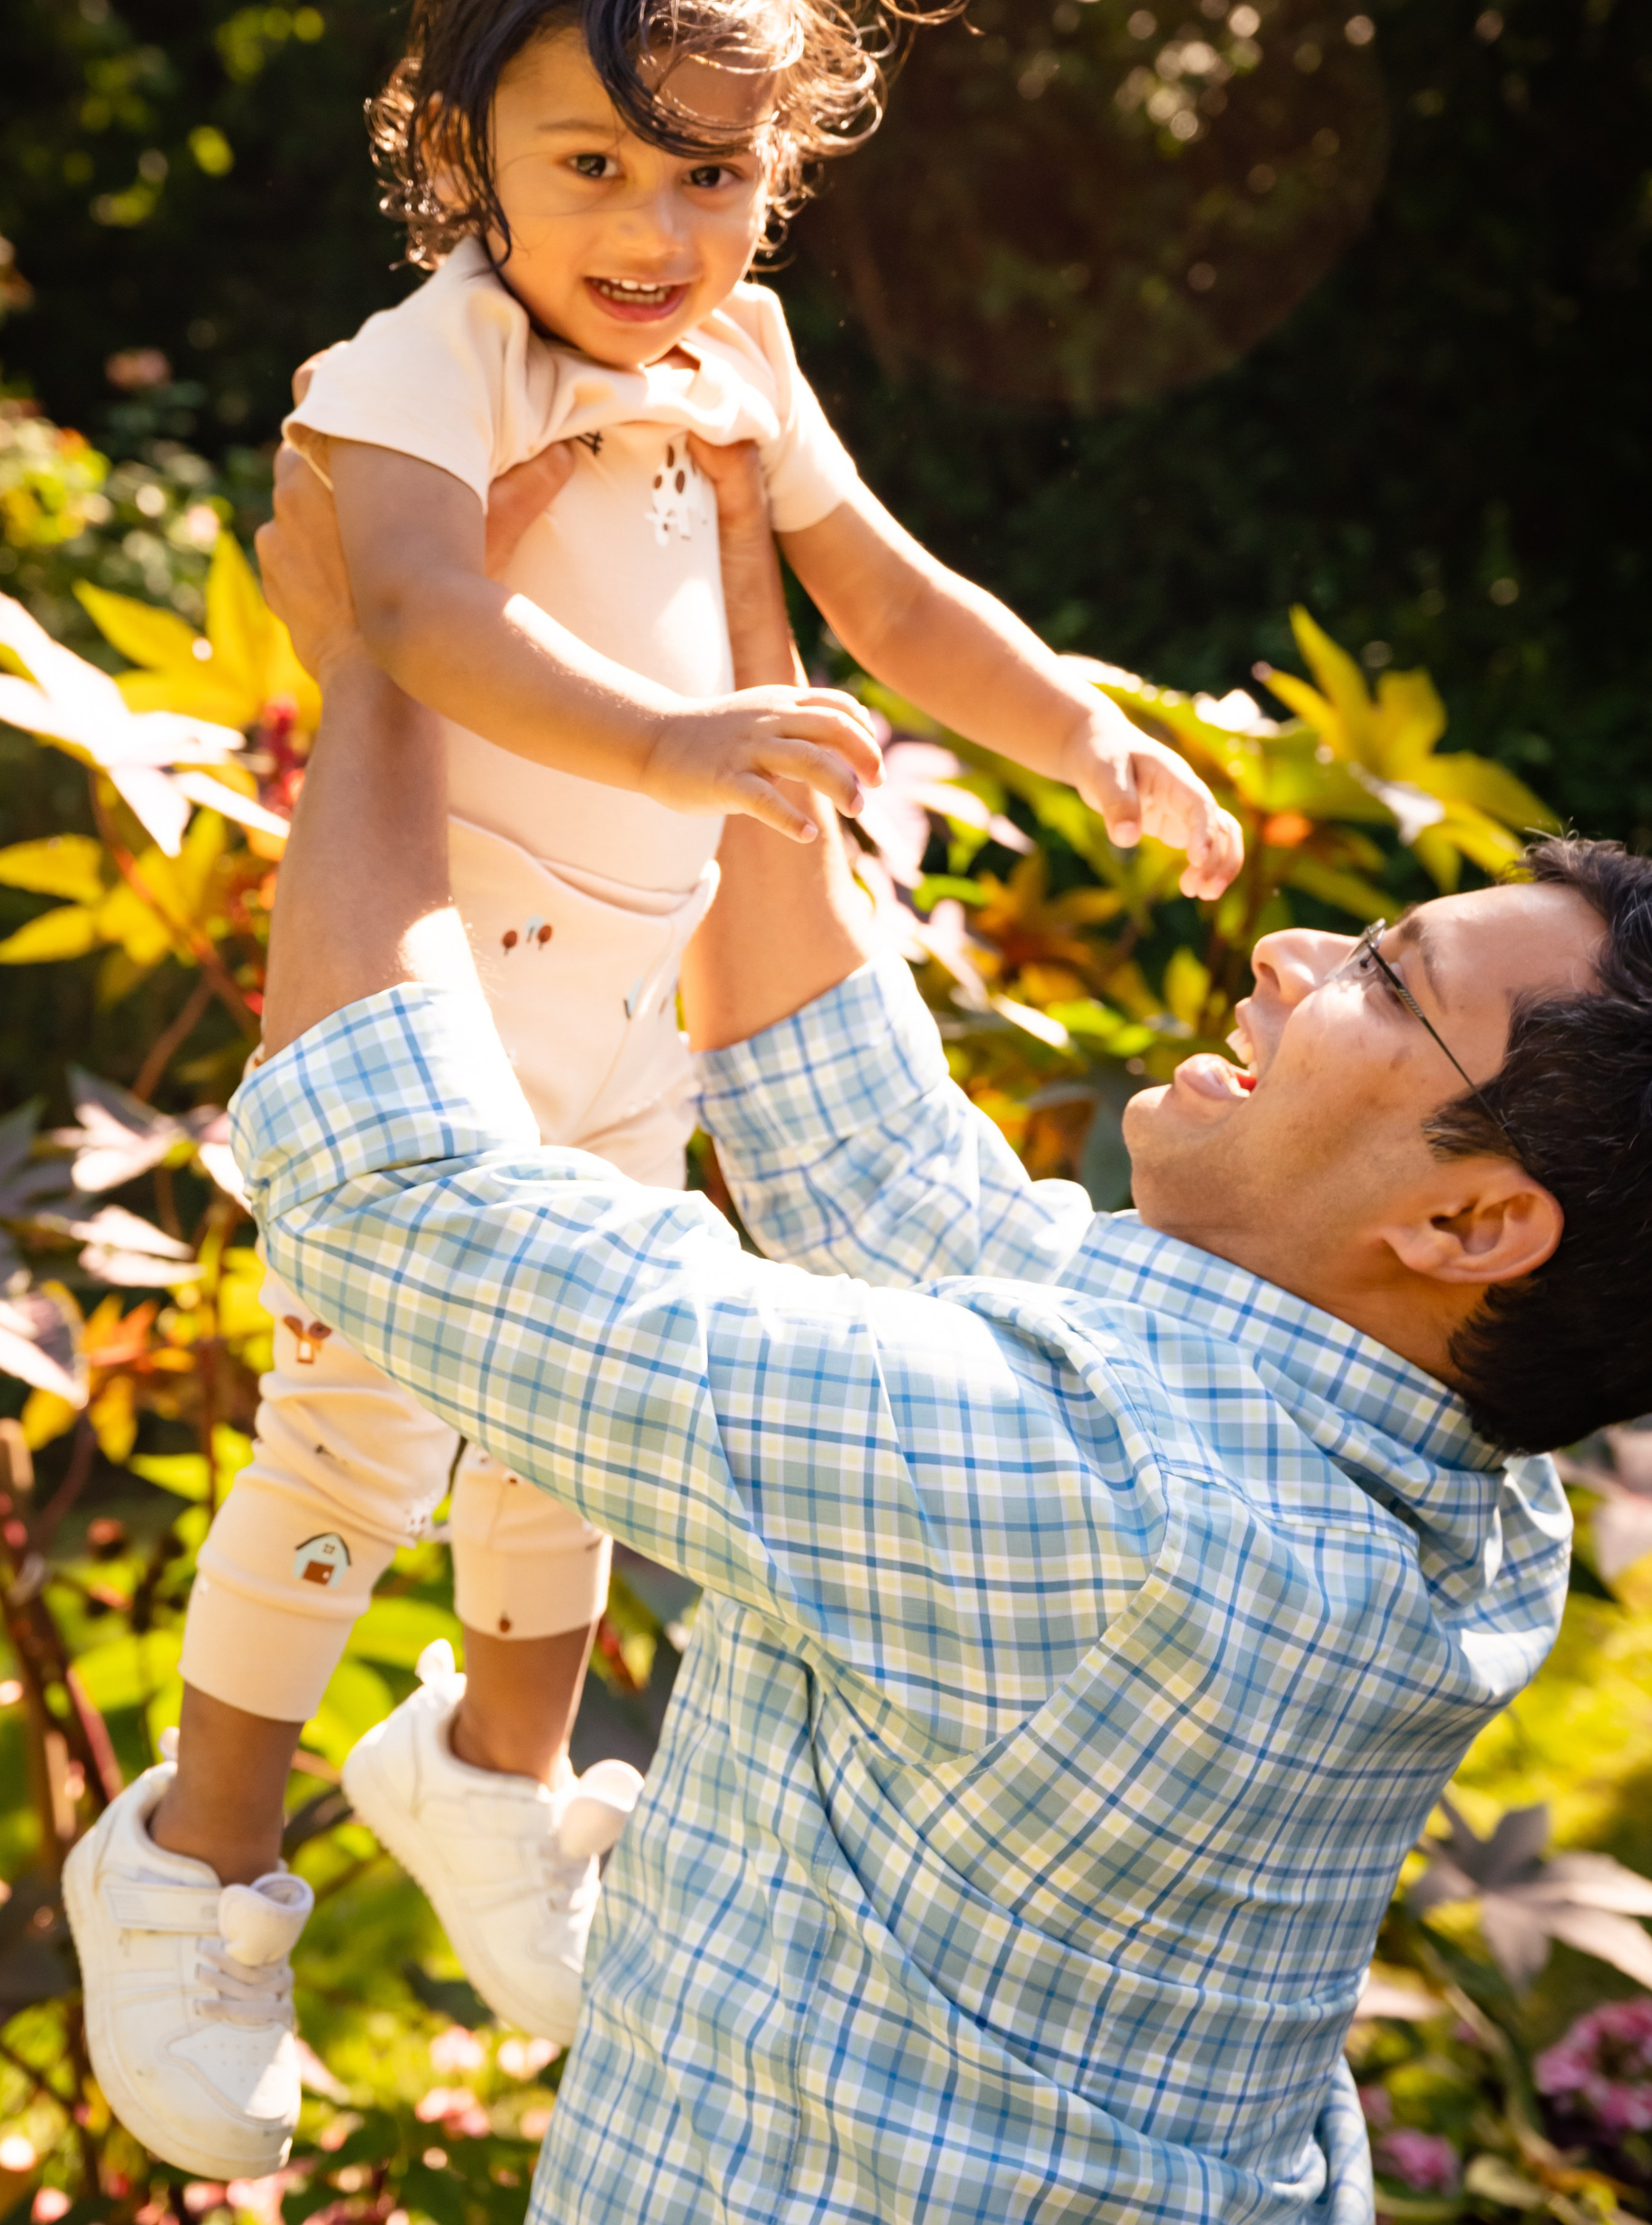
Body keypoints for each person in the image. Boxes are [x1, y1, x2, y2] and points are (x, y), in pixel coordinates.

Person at [84, 437, 1652, 2221]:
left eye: (1384, 980)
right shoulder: (1449, 1496)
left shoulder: (1102, 1507)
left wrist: (386, 651)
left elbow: (404, 1198)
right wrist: (727, 509)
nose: (1292, 953)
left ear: (1470, 1224)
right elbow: (881, 1162)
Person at [62, 0, 1245, 2183]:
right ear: (464, 148)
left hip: (617, 1024)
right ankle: (193, 1856)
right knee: (353, 1448)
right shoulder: (421, 366)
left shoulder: (744, 357)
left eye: (711, 171)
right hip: (428, 1008)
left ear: (776, 175)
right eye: (590, 161)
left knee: (572, 1436)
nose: (653, 225)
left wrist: (1079, 731)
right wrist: (681, 738)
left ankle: (495, 1779)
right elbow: (422, 618)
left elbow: (889, 592)